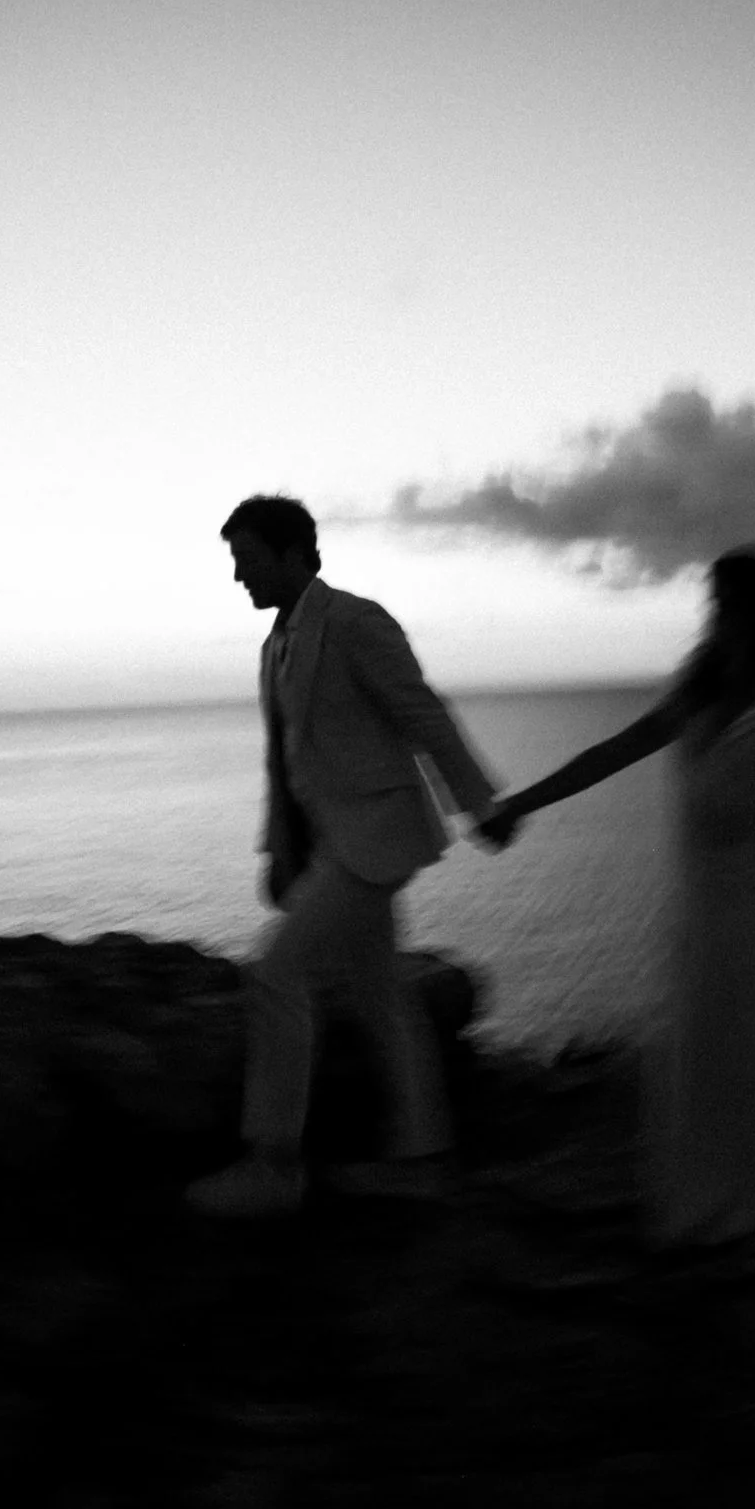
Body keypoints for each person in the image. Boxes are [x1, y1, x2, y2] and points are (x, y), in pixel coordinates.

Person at [477, 546, 755, 1258]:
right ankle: (719, 1197)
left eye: (728, 604)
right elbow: (614, 751)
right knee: (708, 1040)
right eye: (714, 604)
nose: (717, 617)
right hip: (700, 896)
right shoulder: (700, 688)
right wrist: (520, 803)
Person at [186, 495, 508, 1219]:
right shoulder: (273, 648)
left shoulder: (357, 622)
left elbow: (423, 715)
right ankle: (424, 1158)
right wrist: (280, 848)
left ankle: (273, 1163)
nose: (238, 575)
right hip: (332, 844)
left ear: (293, 553)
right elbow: (283, 761)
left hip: (377, 837)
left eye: (247, 559)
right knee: (380, 996)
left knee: (276, 974)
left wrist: (478, 805)